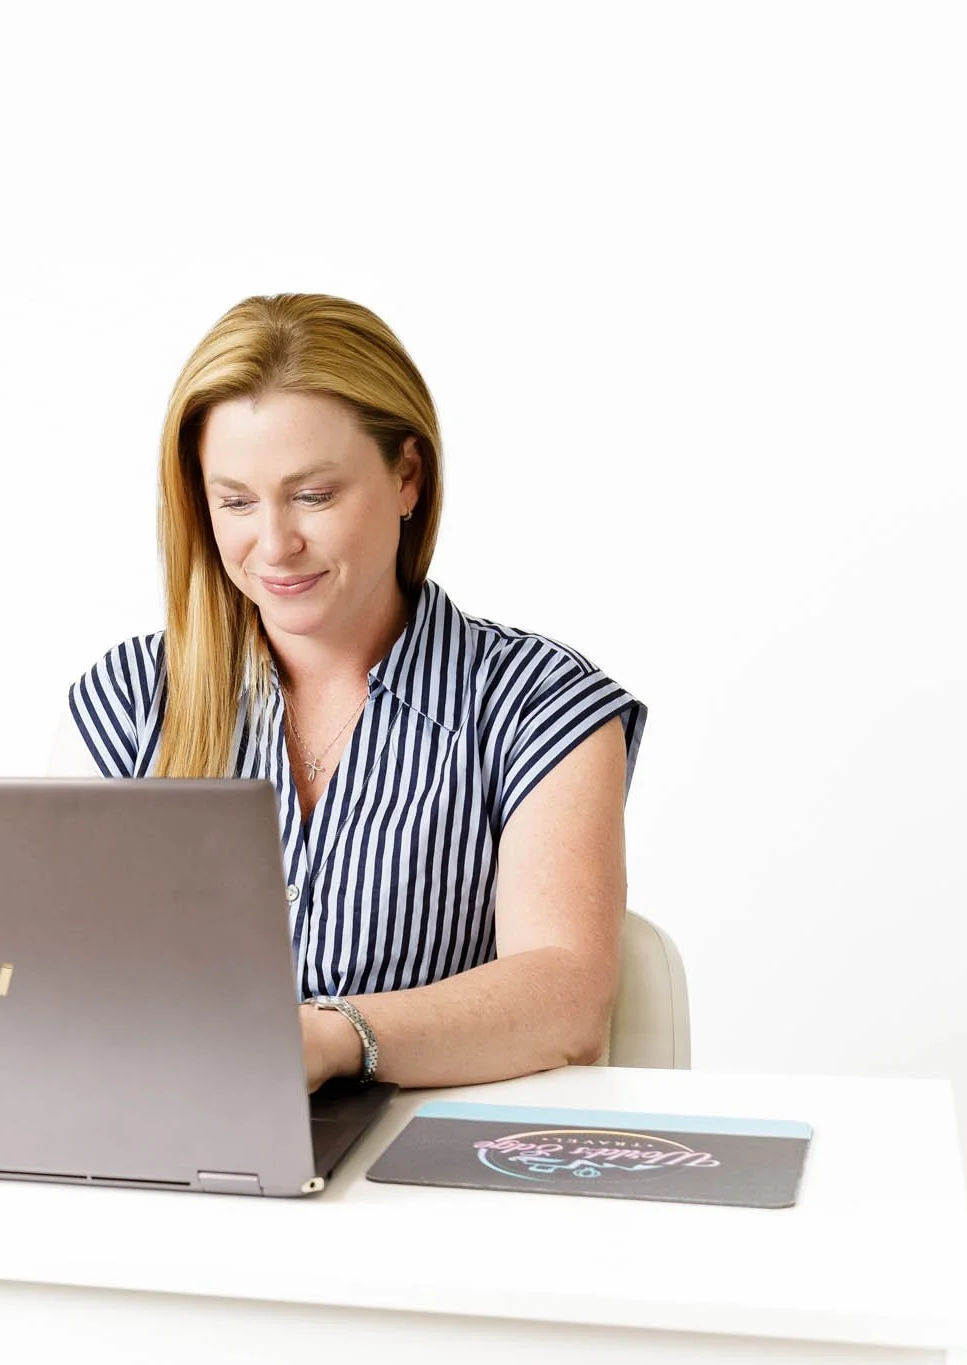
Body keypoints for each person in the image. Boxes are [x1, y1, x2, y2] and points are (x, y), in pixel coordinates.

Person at [55, 294, 647, 1092]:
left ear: (407, 476)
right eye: (235, 500)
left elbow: (566, 998)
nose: (274, 544)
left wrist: (333, 1040)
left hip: (419, 1187)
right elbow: (53, 977)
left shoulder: (538, 704)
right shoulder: (130, 701)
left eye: (313, 495)